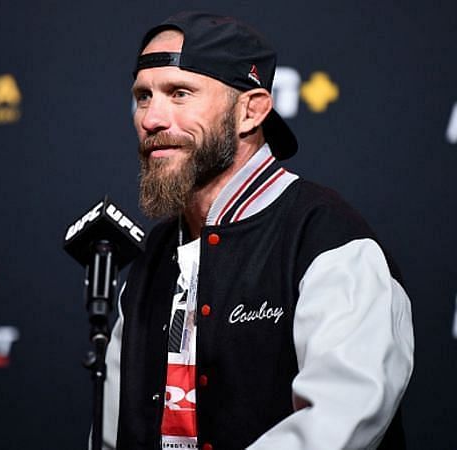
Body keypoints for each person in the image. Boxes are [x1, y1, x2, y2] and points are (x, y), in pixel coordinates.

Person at [102, 11, 414, 450]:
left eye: (180, 93)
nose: (151, 119)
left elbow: (336, 428)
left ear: (252, 110)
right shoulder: (149, 259)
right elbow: (117, 433)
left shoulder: (329, 240)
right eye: (143, 96)